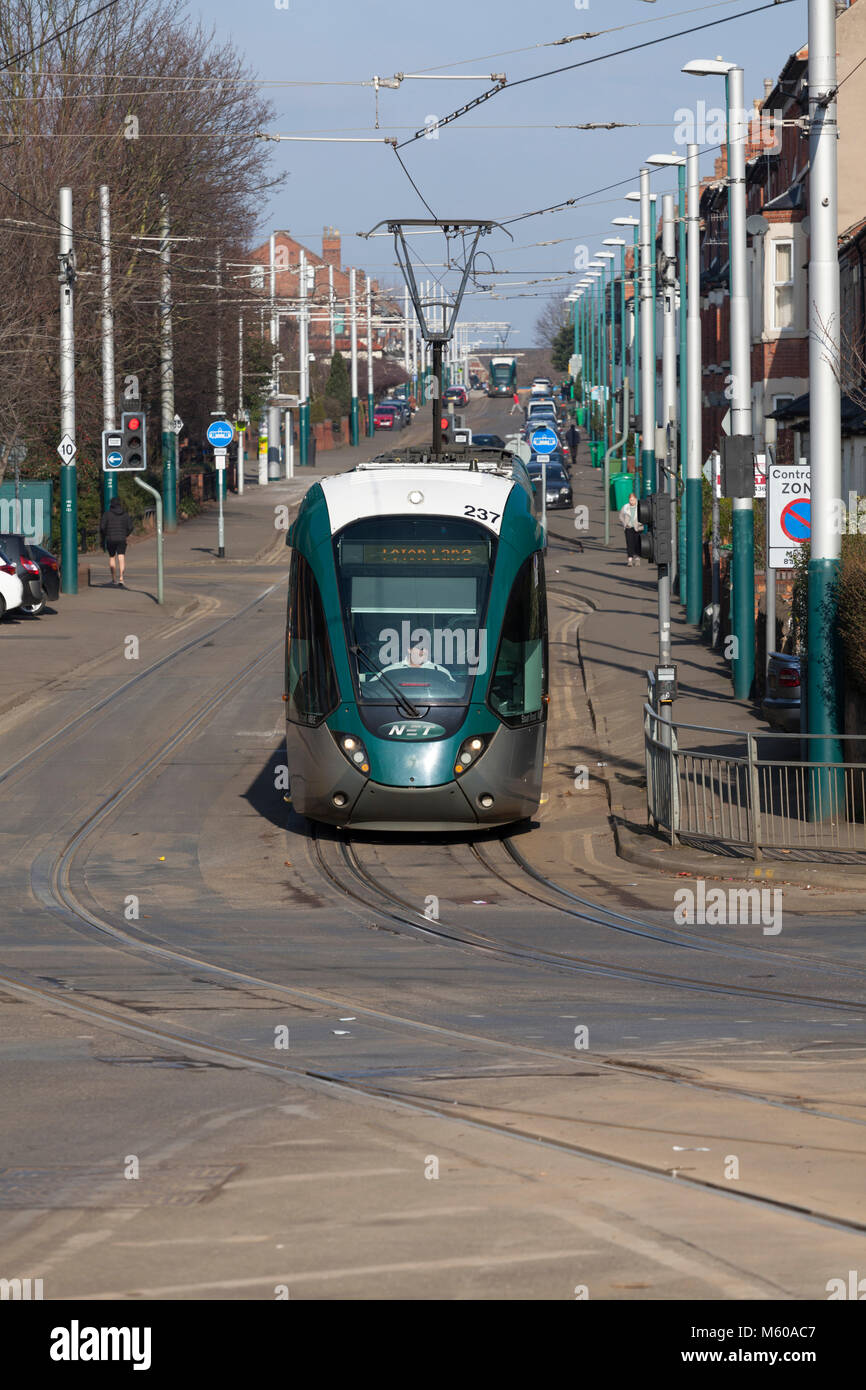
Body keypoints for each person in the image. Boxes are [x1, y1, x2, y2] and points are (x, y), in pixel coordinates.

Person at [100, 495, 134, 587]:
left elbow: (102, 527)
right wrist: (125, 534)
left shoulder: (107, 514)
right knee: (121, 557)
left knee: (112, 557)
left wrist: (107, 534)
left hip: (110, 539)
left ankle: (114, 579)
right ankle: (121, 578)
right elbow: (131, 527)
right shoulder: (125, 514)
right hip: (122, 539)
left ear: (111, 504)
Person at [619, 492, 642, 567]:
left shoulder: (640, 507)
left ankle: (637, 559)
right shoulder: (625, 507)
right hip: (628, 528)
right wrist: (625, 524)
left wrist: (640, 523)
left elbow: (644, 516)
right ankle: (630, 560)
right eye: (630, 500)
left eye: (633, 500)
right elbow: (621, 516)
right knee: (629, 544)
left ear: (636, 499)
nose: (631, 501)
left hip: (638, 528)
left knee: (637, 544)